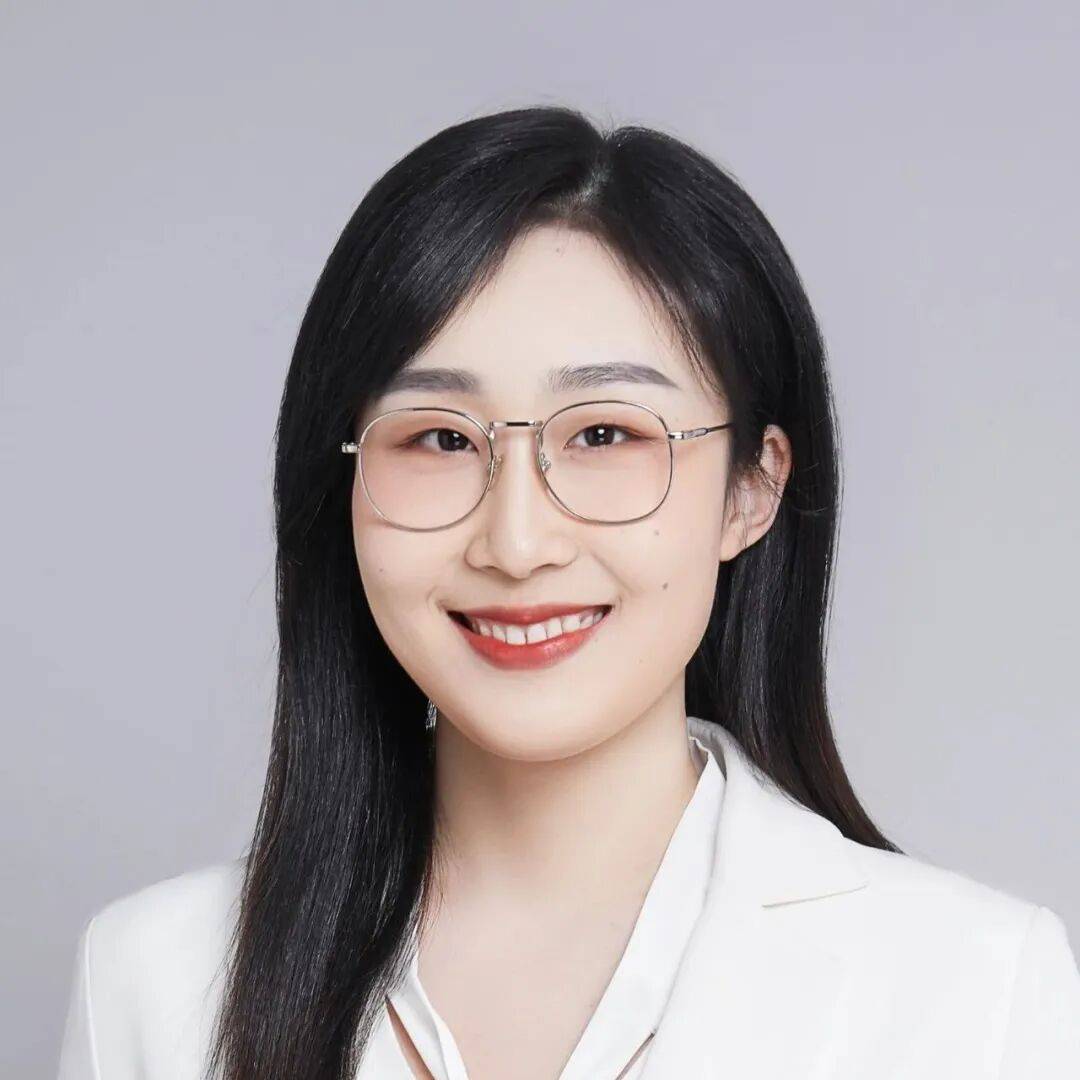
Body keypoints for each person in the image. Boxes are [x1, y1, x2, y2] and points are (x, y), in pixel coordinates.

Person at [57, 105, 1080, 1079]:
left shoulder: (975, 990)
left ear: (752, 490)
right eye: (440, 439)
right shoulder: (155, 981)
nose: (517, 543)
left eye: (604, 434)